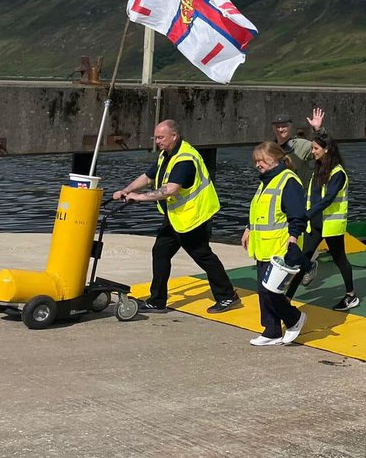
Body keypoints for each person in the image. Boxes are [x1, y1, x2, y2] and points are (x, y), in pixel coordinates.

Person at [112, 119, 239, 315]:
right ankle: (157, 301)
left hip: (193, 217)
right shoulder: (166, 155)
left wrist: (139, 197)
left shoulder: (185, 159)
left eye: (161, 137)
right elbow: (148, 177)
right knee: (160, 252)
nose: (157, 142)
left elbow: (170, 190)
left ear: (174, 136)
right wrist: (126, 190)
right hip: (176, 217)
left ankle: (227, 296)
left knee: (204, 256)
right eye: (155, 137)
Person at [287, 112, 359, 310]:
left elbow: (328, 200)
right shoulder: (318, 169)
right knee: (303, 259)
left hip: (330, 225)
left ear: (326, 150)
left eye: (316, 148)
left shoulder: (338, 174)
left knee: (339, 259)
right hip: (315, 223)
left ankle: (350, 295)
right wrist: (318, 130)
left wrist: (306, 215)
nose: (313, 151)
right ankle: (287, 299)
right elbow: (314, 197)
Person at [243, 142, 309, 346]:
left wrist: (293, 238)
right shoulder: (266, 181)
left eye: (260, 160)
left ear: (273, 159)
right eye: (256, 161)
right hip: (263, 245)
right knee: (263, 289)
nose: (257, 165)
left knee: (270, 290)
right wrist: (248, 228)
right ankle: (271, 329)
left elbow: (297, 214)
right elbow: (260, 211)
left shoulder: (287, 181)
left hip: (280, 245)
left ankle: (294, 318)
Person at [270, 109, 324, 175]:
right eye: (277, 127)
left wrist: (318, 130)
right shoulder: (269, 148)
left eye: (284, 126)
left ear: (290, 127)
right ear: (273, 128)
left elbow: (323, 148)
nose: (280, 129)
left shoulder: (302, 145)